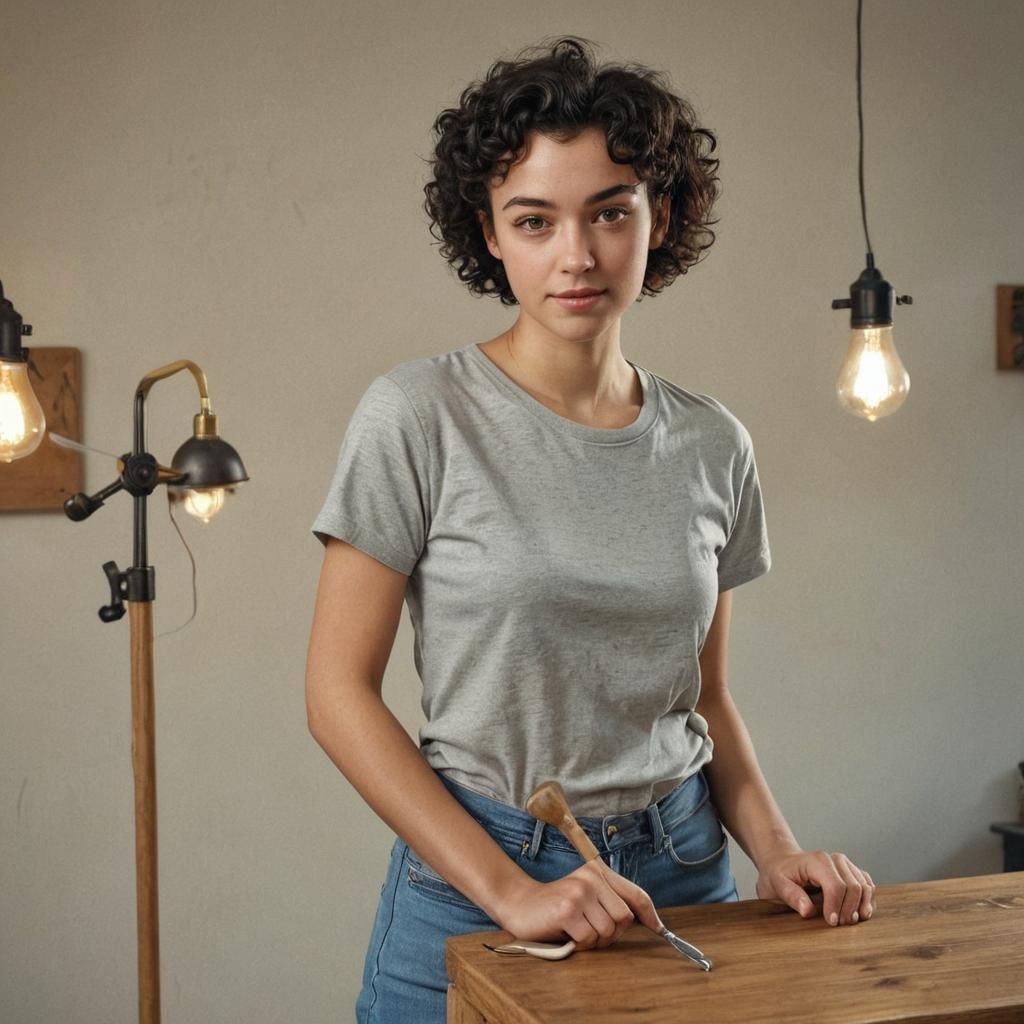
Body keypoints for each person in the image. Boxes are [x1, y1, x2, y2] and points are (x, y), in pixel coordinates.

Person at [305, 36, 874, 1023]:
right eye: (535, 220)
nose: (577, 255)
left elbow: (707, 699)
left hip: (679, 871)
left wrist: (776, 851)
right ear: (489, 234)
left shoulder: (710, 442)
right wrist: (510, 890)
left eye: (610, 212)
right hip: (475, 874)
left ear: (661, 217)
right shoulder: (416, 414)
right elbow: (334, 694)